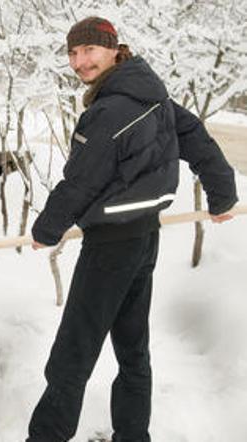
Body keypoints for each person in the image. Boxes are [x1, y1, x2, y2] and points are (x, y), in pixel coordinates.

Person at [26, 17, 238, 442]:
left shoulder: (110, 109)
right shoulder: (150, 92)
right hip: (143, 238)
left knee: (72, 355)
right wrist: (222, 193)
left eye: (89, 50)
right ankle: (133, 435)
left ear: (112, 49)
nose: (80, 61)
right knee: (133, 350)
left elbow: (81, 180)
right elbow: (194, 134)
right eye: (73, 53)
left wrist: (46, 229)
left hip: (111, 248)